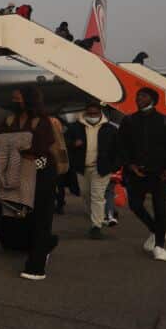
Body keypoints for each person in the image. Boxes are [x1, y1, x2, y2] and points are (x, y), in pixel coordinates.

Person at [117, 87, 166, 262]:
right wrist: (129, 165)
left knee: (160, 209)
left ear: (152, 100)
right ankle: (156, 229)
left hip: (159, 174)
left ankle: (159, 246)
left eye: (143, 96)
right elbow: (121, 146)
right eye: (137, 96)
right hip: (136, 172)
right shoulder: (129, 121)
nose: (138, 98)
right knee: (135, 205)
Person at [5, 86, 60, 280]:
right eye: (13, 98)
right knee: (25, 216)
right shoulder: (11, 119)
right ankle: (45, 244)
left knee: (41, 217)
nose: (14, 101)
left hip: (42, 173)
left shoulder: (42, 121)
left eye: (18, 98)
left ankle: (36, 266)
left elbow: (39, 148)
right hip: (21, 172)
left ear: (29, 99)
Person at [66, 102, 118, 239]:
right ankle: (94, 218)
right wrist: (73, 144)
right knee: (85, 194)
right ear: (86, 112)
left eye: (95, 113)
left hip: (101, 169)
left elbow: (118, 148)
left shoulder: (110, 129)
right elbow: (65, 143)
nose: (92, 116)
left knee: (98, 196)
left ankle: (96, 226)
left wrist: (114, 166)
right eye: (90, 113)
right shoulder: (75, 127)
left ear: (100, 112)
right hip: (82, 168)